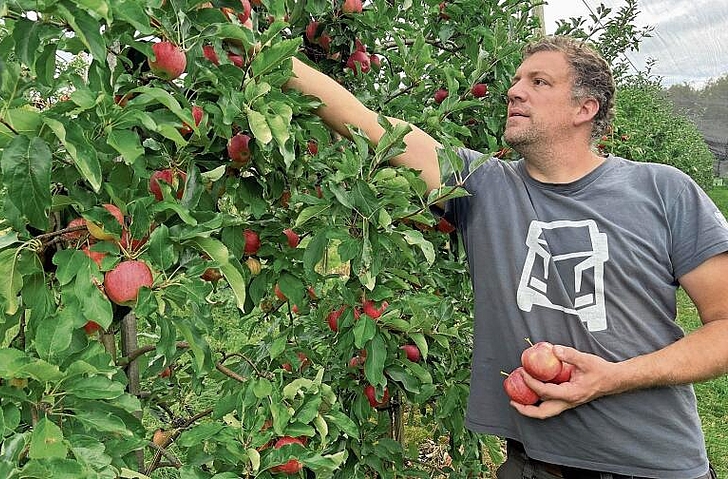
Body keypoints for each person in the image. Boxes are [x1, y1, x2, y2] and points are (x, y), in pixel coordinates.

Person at [286, 35, 728, 478]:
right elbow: (366, 123)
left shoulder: (662, 190)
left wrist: (614, 377)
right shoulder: (482, 186)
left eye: (539, 82)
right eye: (516, 81)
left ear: (584, 108)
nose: (514, 91)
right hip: (531, 466)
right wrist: (255, 51)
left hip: (653, 465)